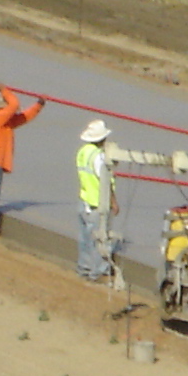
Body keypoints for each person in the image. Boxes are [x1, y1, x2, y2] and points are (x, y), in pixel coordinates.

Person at [0, 87, 45, 237]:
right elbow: (14, 104)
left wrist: (38, 105)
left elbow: (24, 117)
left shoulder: (6, 123)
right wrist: (4, 90)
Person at [75, 119, 119, 282]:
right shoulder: (98, 156)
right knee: (100, 239)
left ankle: (84, 269)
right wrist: (114, 202)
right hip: (97, 204)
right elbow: (105, 181)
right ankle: (98, 273)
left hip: (84, 200)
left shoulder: (82, 152)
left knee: (85, 238)